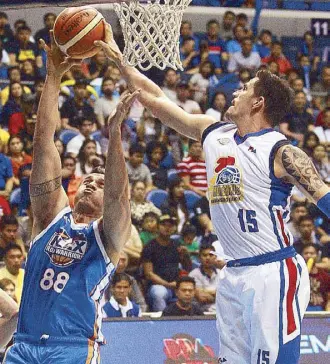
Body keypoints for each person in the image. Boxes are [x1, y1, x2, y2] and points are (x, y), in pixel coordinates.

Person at [96, 24, 330, 363]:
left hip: (273, 272)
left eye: (245, 88)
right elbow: (157, 100)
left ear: (258, 102)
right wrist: (119, 60)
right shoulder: (212, 132)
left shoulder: (282, 152)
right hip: (233, 275)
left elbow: (324, 195)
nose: (236, 92)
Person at [3, 33, 137, 364]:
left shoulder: (109, 235)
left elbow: (119, 196)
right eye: (87, 178)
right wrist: (53, 75)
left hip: (73, 347)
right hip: (23, 344)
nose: (92, 182)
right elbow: (44, 143)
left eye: (100, 181)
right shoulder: (51, 216)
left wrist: (114, 135)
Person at [141, 214, 192, 312]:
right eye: (164, 225)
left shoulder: (177, 244)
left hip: (176, 285)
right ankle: (162, 323)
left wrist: (186, 255)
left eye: (170, 225)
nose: (167, 228)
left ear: (174, 228)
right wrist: (168, 285)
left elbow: (188, 268)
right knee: (159, 293)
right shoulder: (150, 247)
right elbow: (149, 274)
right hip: (157, 285)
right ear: (158, 227)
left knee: (190, 291)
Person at [189, 244, 221, 313]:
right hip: (200, 312)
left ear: (215, 257)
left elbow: (225, 295)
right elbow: (201, 298)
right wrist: (216, 293)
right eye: (204, 255)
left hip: (220, 311)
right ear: (199, 258)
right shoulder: (193, 275)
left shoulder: (222, 274)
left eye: (211, 255)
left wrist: (205, 291)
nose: (208, 258)